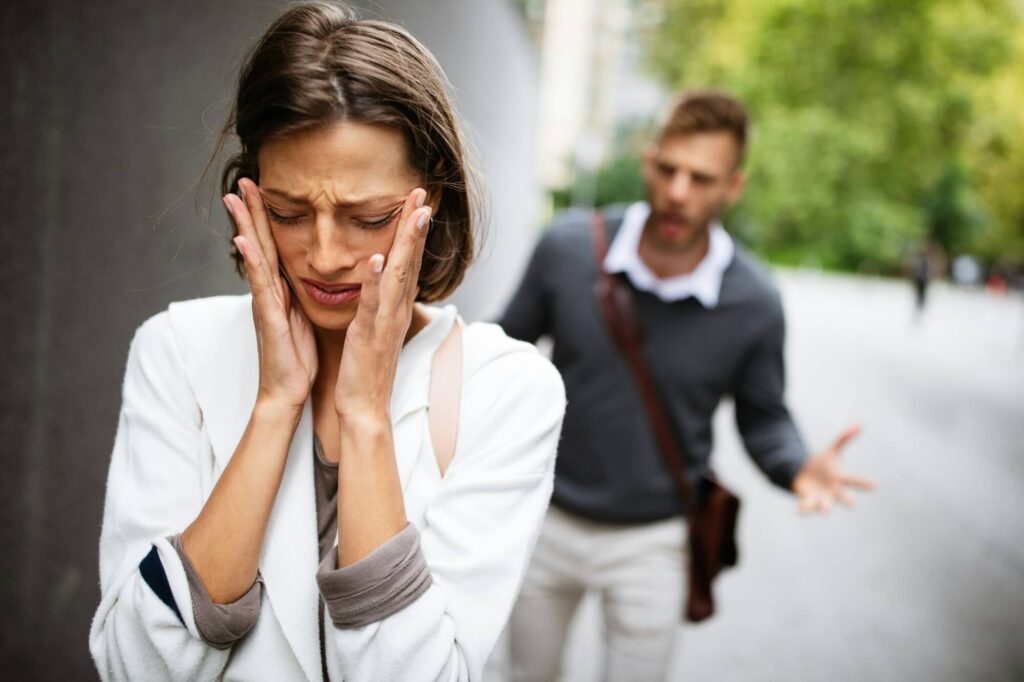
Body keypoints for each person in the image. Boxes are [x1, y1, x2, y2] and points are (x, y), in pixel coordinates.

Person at [89, 3, 566, 681]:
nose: (324, 255)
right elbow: (133, 664)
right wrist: (275, 407)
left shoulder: (506, 390)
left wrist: (366, 416)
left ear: (431, 194)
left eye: (367, 217)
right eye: (288, 212)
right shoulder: (177, 352)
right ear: (250, 192)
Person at [499, 90, 875, 681]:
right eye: (668, 169)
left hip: (655, 540)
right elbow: (500, 354)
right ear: (648, 162)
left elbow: (764, 417)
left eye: (701, 178)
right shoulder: (567, 248)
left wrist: (798, 466)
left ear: (733, 187)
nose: (678, 191)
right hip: (545, 519)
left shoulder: (754, 301)